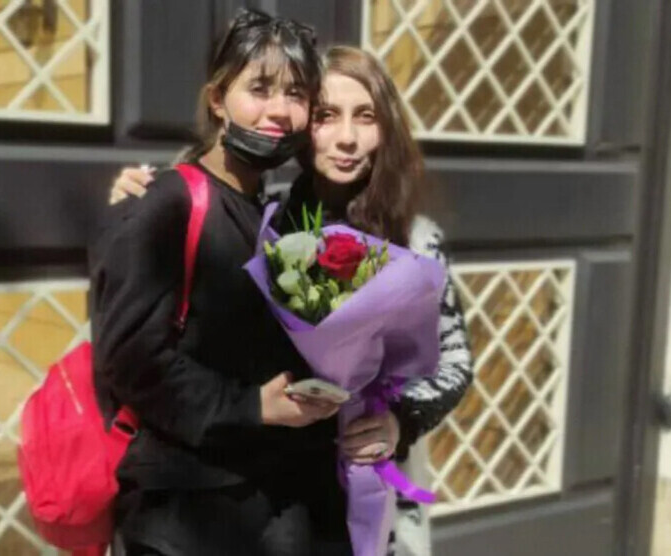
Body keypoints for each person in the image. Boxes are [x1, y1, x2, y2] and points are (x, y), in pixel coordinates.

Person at [108, 45, 474, 556]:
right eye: (327, 116)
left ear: (386, 128)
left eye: (365, 116)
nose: (347, 138)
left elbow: (454, 362)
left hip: (367, 480)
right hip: (271, 496)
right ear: (303, 125)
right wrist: (145, 197)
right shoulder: (268, 220)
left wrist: (398, 420)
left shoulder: (415, 239)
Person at [89, 10, 353, 555]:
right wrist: (250, 406)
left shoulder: (277, 218)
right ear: (217, 99)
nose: (279, 110)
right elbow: (131, 359)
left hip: (270, 508)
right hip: (183, 517)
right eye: (259, 89)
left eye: (296, 94)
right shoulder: (166, 204)